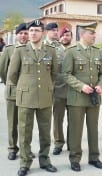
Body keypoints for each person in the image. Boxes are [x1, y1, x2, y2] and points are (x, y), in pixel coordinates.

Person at [7, 19, 58, 176]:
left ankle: (44, 160)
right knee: (24, 133)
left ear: (42, 33)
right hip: (25, 98)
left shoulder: (50, 50)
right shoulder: (21, 50)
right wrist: (25, 87)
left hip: (45, 97)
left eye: (36, 30)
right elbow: (12, 75)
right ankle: (25, 162)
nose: (33, 33)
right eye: (31, 31)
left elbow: (54, 73)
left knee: (44, 132)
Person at [62, 22, 102, 171]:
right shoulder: (72, 51)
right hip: (77, 98)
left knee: (93, 129)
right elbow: (66, 75)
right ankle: (75, 159)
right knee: (76, 130)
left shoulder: (97, 51)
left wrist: (101, 85)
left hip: (94, 98)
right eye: (91, 33)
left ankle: (94, 157)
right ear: (82, 34)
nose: (94, 36)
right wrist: (81, 86)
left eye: (94, 33)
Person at [0, 23, 35, 161]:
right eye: (21, 33)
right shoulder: (9, 50)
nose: (23, 36)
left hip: (28, 93)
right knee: (13, 123)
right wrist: (10, 84)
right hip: (13, 92)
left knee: (26, 123)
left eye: (26, 33)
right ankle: (12, 148)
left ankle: (26, 149)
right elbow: (3, 70)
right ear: (16, 35)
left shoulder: (33, 49)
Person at [52, 26, 73, 155]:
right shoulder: (53, 51)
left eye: (68, 35)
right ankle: (58, 143)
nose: (65, 37)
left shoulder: (76, 50)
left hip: (73, 91)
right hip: (58, 90)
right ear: (60, 37)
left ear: (71, 37)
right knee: (58, 119)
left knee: (74, 120)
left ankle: (72, 143)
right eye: (63, 35)